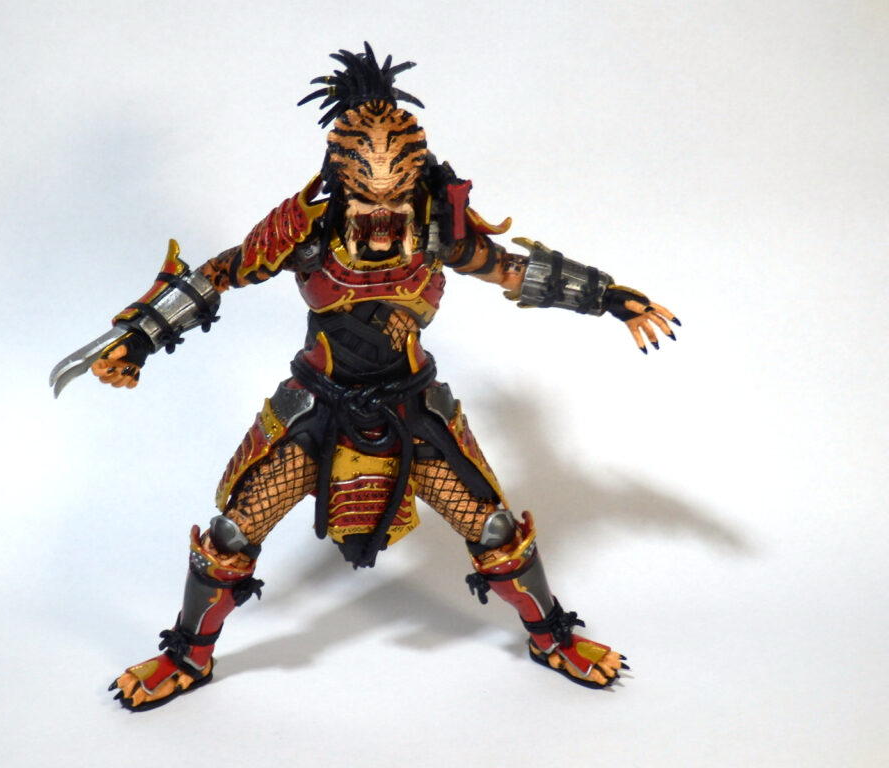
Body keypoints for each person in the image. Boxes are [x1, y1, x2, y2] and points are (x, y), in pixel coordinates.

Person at [51, 43, 678, 711]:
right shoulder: (303, 235)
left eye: (396, 198)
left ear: (416, 179)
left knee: (494, 530)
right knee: (232, 535)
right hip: (316, 410)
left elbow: (513, 270)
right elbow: (219, 274)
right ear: (341, 180)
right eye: (366, 200)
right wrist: (141, 339)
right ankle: (188, 654)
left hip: (413, 409)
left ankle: (551, 636)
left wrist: (609, 295)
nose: (382, 221)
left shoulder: (439, 233)